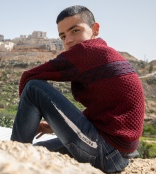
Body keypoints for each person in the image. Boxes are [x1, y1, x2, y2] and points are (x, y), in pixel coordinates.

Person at [10, 5, 145, 173]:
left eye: (75, 31)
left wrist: (31, 118)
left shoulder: (87, 51)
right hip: (119, 154)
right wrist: (53, 126)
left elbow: (29, 77)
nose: (68, 40)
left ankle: (10, 159)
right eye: (63, 36)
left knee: (34, 87)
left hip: (107, 152)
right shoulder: (104, 53)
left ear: (95, 29)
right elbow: (105, 115)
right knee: (37, 151)